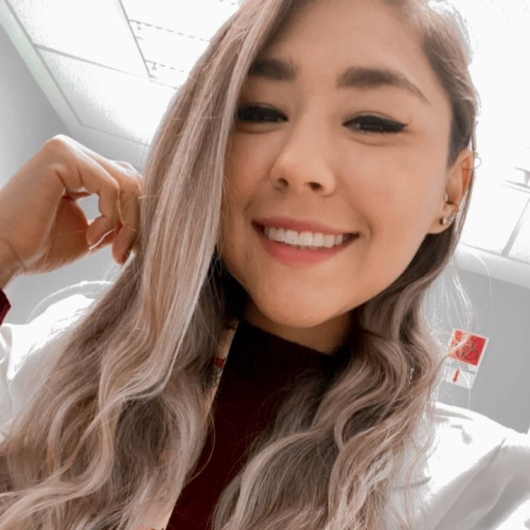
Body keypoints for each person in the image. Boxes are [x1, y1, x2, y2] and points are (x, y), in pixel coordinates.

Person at [0, 0, 529, 528]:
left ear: (451, 188)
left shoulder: (486, 492)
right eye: (258, 112)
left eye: (372, 122)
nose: (297, 164)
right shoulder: (58, 364)